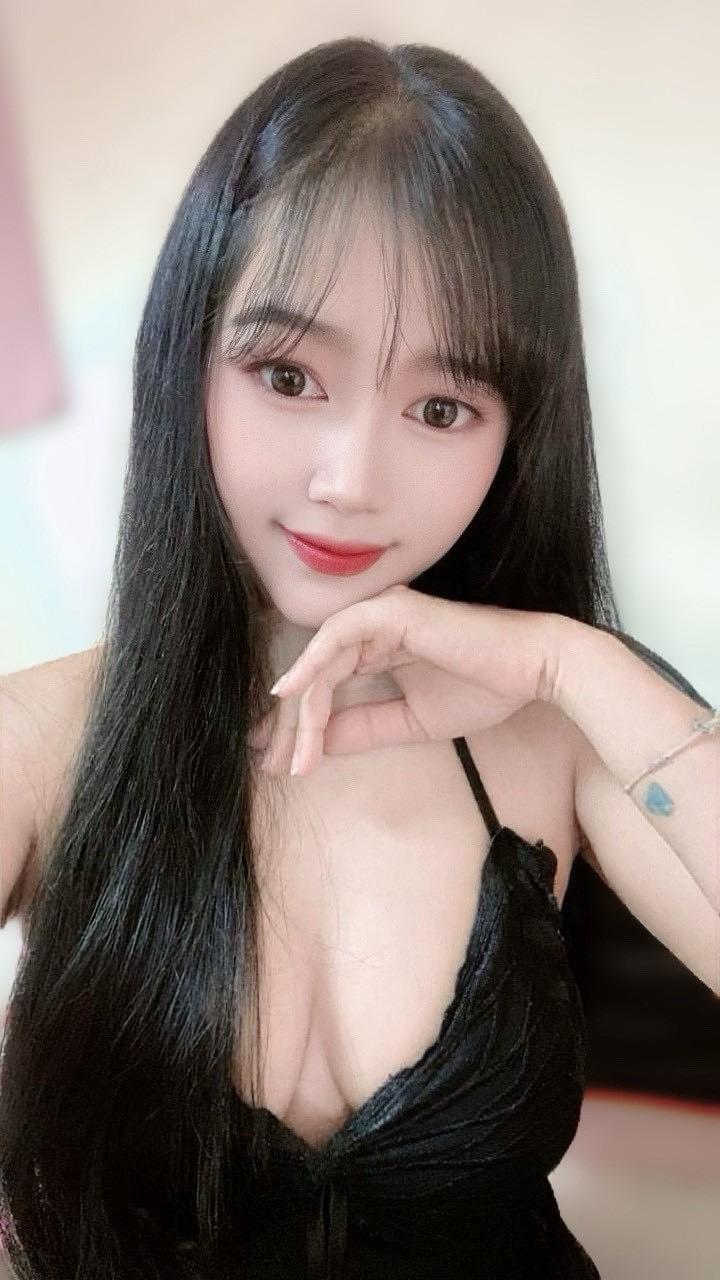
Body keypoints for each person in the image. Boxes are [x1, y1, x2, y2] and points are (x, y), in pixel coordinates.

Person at [0, 35, 715, 1280]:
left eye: (441, 408)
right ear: (190, 359)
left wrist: (573, 665)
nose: (351, 479)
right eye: (288, 374)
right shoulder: (41, 742)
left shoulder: (555, 736)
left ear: (517, 433)